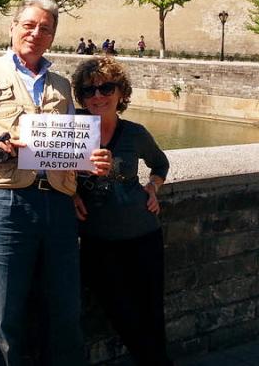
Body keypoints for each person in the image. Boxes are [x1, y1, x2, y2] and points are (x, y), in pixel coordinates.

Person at [0, 0, 112, 364]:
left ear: (53, 37)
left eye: (45, 28)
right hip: (2, 204)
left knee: (65, 312)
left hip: (59, 207)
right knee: (5, 318)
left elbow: (66, 147)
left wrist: (88, 164)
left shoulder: (63, 86)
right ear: (12, 28)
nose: (36, 33)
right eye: (29, 25)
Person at [71, 56, 172, 366]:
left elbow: (161, 163)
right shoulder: (70, 128)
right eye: (89, 91)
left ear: (120, 93)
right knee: (121, 313)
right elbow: (47, 164)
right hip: (98, 241)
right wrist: (71, 192)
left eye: (106, 88)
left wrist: (153, 187)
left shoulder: (134, 133)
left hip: (143, 235)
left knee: (151, 313)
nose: (98, 96)